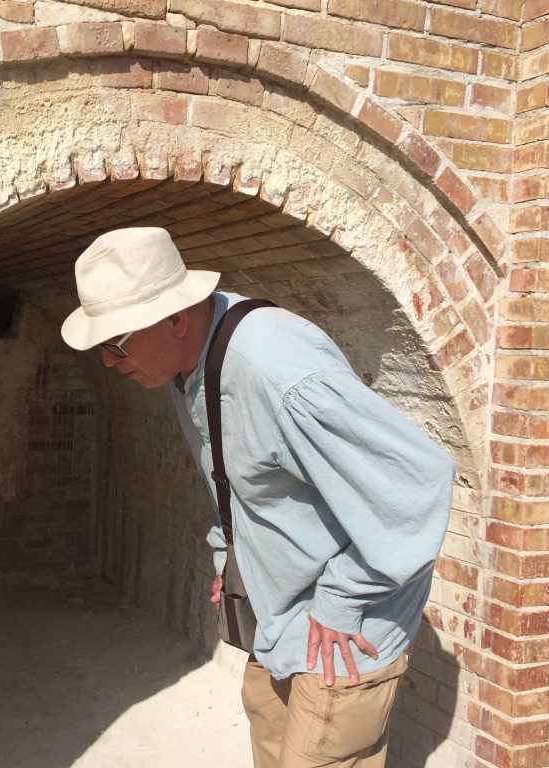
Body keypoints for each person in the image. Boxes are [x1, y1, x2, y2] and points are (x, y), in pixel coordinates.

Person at [60, 227, 454, 768]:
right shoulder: (185, 364)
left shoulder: (277, 368)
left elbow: (417, 482)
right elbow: (240, 474)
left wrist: (342, 601)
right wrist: (233, 557)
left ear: (175, 317)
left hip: (340, 633)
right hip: (279, 619)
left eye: (115, 343)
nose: (107, 361)